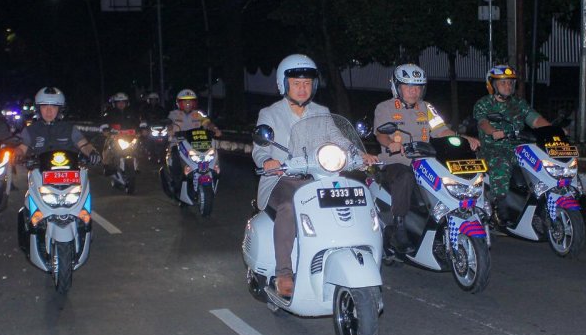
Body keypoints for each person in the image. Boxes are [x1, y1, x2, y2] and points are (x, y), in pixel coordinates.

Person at [252, 54, 377, 297]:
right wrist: (267, 161)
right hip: (283, 179)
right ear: (284, 84)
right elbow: (260, 148)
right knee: (289, 207)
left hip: (319, 178)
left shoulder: (322, 111)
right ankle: (284, 272)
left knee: (352, 198)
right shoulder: (270, 113)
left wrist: (359, 154)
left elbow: (338, 139)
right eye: (296, 83)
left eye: (307, 83)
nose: (302, 88)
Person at [373, 63, 480, 254]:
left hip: (425, 161)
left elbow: (441, 131)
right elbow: (380, 133)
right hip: (397, 161)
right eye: (408, 86)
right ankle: (399, 229)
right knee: (405, 178)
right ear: (397, 87)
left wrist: (463, 138)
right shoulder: (385, 107)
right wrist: (390, 143)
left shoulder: (426, 107)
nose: (414, 91)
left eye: (418, 87)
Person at [473, 65, 551, 225]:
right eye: (503, 83)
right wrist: (493, 131)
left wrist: (553, 130)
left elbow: (535, 120)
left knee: (543, 162)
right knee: (501, 162)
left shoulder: (519, 104)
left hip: (519, 147)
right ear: (492, 85)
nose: (507, 86)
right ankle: (500, 207)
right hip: (492, 149)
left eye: (510, 83)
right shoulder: (484, 104)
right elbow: (483, 123)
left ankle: (541, 204)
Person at [16, 87, 101, 164]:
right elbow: (22, 148)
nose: (49, 111)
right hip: (40, 173)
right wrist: (17, 154)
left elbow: (84, 145)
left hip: (70, 173)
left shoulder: (69, 128)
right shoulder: (30, 130)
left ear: (60, 109)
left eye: (53, 106)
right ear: (38, 109)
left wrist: (92, 152)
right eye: (44, 106)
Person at [166, 89, 221, 193]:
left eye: (190, 101)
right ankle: (176, 184)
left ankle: (210, 178)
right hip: (178, 143)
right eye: (185, 101)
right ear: (179, 103)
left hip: (196, 144)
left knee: (212, 158)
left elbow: (208, 123)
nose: (188, 103)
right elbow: (168, 123)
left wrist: (214, 129)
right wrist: (170, 129)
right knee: (175, 159)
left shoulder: (198, 114)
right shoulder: (174, 114)